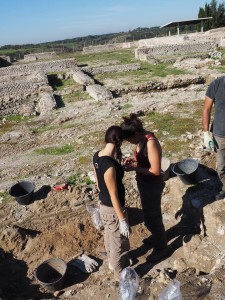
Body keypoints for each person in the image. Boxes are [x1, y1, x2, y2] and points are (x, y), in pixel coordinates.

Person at [120, 113, 169, 262]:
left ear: (136, 133)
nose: (129, 143)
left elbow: (155, 170)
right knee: (148, 215)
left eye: (130, 139)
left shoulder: (151, 142)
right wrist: (134, 159)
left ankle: (161, 248)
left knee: (153, 217)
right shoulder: (141, 139)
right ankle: (156, 237)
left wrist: (134, 169)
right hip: (145, 183)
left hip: (152, 184)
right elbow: (144, 157)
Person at [93, 126, 130, 281]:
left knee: (109, 235)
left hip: (103, 205)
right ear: (119, 142)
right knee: (118, 244)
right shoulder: (109, 166)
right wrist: (122, 219)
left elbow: (97, 181)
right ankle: (119, 274)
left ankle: (111, 263)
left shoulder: (97, 156)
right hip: (112, 209)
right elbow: (114, 196)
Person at [203, 76, 225, 200]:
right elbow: (206, 109)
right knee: (221, 165)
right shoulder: (217, 84)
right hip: (220, 135)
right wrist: (206, 133)